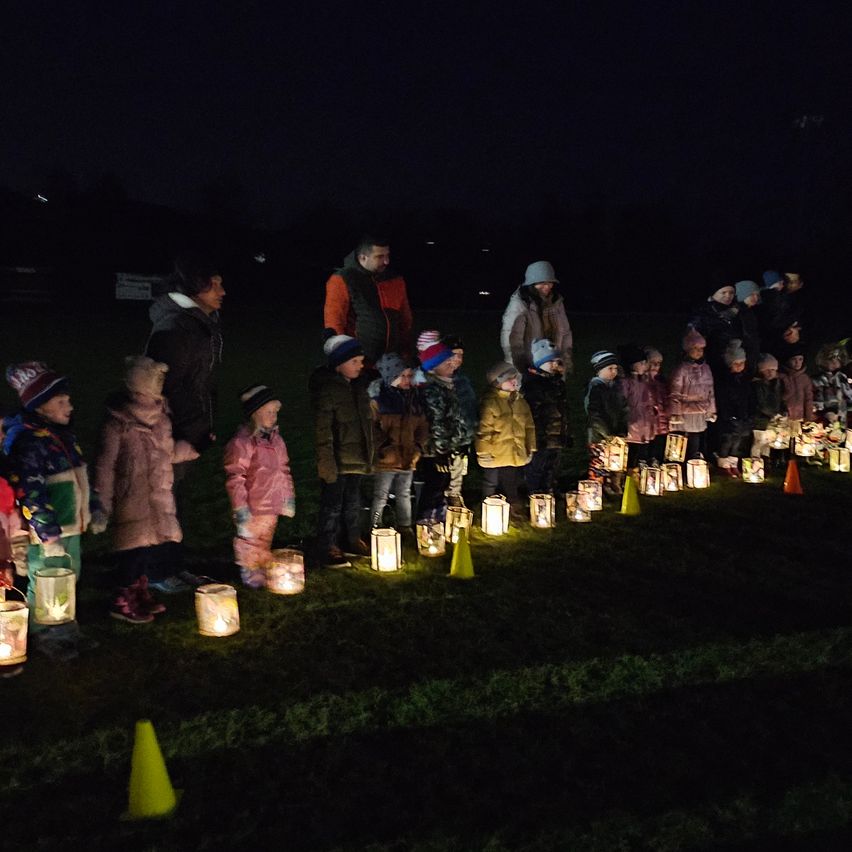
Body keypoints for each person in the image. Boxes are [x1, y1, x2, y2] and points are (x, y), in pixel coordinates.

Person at [4, 362, 105, 660]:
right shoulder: (31, 445)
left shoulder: (63, 438)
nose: (70, 405)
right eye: (61, 401)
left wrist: (94, 508)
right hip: (49, 532)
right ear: (40, 407)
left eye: (68, 399)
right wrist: (47, 534)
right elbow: (31, 491)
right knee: (47, 578)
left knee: (69, 576)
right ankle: (43, 629)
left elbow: (81, 478)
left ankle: (65, 626)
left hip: (72, 525)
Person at [94, 357, 198, 622]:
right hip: (131, 500)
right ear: (139, 386)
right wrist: (101, 504)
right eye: (156, 381)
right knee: (132, 553)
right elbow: (105, 466)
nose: (161, 385)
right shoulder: (118, 423)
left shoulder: (162, 418)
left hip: (157, 498)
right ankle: (121, 599)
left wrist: (183, 451)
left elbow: (166, 452)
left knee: (147, 551)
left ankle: (139, 593)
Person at [145, 252, 224, 590]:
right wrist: (178, 435)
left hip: (188, 430)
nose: (223, 291)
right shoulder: (176, 328)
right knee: (164, 503)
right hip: (170, 433)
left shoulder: (193, 323)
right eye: (216, 285)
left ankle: (173, 566)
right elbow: (162, 388)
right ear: (196, 287)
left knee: (176, 502)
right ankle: (160, 573)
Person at [309, 335, 373, 569]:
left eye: (361, 361)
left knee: (353, 501)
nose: (361, 366)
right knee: (332, 505)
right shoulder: (328, 391)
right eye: (355, 361)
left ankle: (351, 538)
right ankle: (327, 544)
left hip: (356, 459)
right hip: (337, 461)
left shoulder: (359, 387)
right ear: (339, 363)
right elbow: (323, 431)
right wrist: (326, 463)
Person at [224, 385, 296, 588]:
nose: (274, 416)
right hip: (252, 507)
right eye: (269, 412)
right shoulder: (243, 443)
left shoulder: (277, 441)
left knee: (264, 540)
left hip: (271, 505)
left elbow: (283, 469)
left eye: (275, 412)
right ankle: (250, 571)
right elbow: (235, 476)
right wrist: (240, 508)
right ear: (255, 414)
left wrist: (287, 498)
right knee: (249, 541)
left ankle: (262, 566)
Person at [323, 236, 413, 364]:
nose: (386, 261)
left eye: (387, 255)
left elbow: (405, 317)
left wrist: (405, 349)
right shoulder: (344, 279)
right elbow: (335, 319)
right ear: (362, 257)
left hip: (393, 360)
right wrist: (344, 356)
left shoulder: (395, 279)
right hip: (360, 359)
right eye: (380, 257)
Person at [368, 354, 428, 536]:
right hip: (387, 458)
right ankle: (375, 524)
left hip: (409, 456)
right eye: (403, 376)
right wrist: (383, 447)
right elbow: (371, 428)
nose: (408, 380)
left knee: (404, 492)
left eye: (410, 376)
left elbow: (423, 425)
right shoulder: (379, 401)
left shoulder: (413, 400)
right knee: (381, 494)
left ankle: (405, 525)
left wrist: (418, 446)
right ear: (391, 377)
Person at [417, 338, 475, 522]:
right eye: (447, 361)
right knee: (435, 484)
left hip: (449, 445)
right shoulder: (433, 390)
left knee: (445, 481)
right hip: (436, 450)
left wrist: (461, 441)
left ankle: (439, 518)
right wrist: (441, 451)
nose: (453, 363)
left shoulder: (451, 386)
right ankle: (427, 521)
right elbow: (437, 423)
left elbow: (457, 418)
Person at [475, 362, 536, 515]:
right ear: (498, 382)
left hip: (513, 450)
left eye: (515, 377)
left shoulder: (520, 401)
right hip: (495, 451)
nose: (515, 381)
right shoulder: (490, 403)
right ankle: (488, 506)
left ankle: (512, 503)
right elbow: (484, 431)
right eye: (510, 379)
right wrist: (484, 453)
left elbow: (529, 426)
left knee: (512, 478)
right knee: (491, 480)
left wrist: (531, 446)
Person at [501, 261, 573, 375]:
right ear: (532, 283)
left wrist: (566, 362)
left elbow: (565, 333)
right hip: (531, 367)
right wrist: (521, 368)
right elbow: (512, 339)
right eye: (542, 282)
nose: (548, 286)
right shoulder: (520, 304)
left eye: (550, 282)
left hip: (554, 364)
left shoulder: (556, 303)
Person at [522, 339, 570, 494]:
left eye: (557, 361)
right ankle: (535, 494)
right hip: (540, 437)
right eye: (551, 361)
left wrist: (565, 431)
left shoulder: (557, 383)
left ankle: (549, 490)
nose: (555, 365)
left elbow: (563, 410)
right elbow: (531, 413)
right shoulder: (532, 384)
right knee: (537, 467)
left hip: (555, 435)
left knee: (552, 465)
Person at [667, 329, 716, 461]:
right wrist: (675, 412)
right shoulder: (681, 369)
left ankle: (693, 463)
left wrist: (711, 410)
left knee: (696, 438)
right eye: (695, 348)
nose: (699, 351)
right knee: (679, 440)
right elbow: (675, 391)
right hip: (684, 412)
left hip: (700, 411)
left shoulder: (706, 369)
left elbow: (710, 390)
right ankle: (675, 465)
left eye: (701, 348)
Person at [584, 351, 628, 495]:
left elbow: (624, 409)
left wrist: (622, 428)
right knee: (599, 462)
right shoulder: (596, 389)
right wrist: (606, 433)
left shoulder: (616, 388)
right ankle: (596, 489)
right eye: (610, 369)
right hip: (599, 435)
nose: (614, 372)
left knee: (615, 460)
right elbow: (594, 414)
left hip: (615, 433)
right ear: (599, 370)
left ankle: (612, 484)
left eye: (616, 368)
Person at [442, 334, 478, 506]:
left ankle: (455, 495)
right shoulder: (440, 380)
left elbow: (469, 407)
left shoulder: (463, 381)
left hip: (462, 435)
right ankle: (442, 500)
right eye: (453, 354)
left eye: (460, 355)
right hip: (445, 436)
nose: (457, 359)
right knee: (444, 471)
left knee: (458, 469)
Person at [711, 340, 752, 476]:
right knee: (727, 440)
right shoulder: (724, 380)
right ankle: (723, 463)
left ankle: (733, 462)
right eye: (736, 363)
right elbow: (723, 400)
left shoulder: (744, 380)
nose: (740, 366)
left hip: (742, 415)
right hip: (728, 416)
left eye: (742, 363)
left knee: (738, 440)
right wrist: (727, 414)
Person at [690, 279, 742, 377]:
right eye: (723, 292)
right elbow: (694, 339)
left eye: (731, 292)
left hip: (733, 364)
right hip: (709, 364)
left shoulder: (737, 312)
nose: (728, 296)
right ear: (714, 293)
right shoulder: (703, 312)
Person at [617, 344, 655, 470]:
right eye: (642, 363)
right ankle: (630, 474)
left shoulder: (643, 381)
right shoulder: (626, 383)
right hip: (633, 424)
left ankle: (641, 470)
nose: (645, 365)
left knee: (643, 449)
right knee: (632, 452)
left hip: (644, 423)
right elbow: (621, 402)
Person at [751, 353, 786, 461]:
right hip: (761, 419)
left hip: (774, 419)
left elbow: (781, 399)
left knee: (768, 441)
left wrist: (783, 411)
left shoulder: (777, 384)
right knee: (759, 442)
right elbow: (760, 403)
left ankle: (766, 461)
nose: (770, 372)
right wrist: (773, 414)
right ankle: (755, 461)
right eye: (767, 370)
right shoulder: (757, 385)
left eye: (773, 369)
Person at [812, 343, 852, 427]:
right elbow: (816, 401)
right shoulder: (817, 379)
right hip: (822, 422)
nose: (834, 362)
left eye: (837, 359)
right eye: (831, 359)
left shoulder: (842, 377)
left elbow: (849, 396)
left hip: (842, 419)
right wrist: (826, 412)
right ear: (824, 361)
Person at [644, 347, 669, 462]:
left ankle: (656, 462)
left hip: (661, 420)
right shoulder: (642, 382)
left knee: (659, 443)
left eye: (658, 363)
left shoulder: (661, 382)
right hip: (647, 421)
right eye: (652, 363)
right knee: (647, 444)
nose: (655, 366)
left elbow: (666, 399)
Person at [779, 346, 815, 424]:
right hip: (784, 418)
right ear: (787, 360)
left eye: (800, 359)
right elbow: (778, 398)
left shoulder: (805, 378)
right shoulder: (781, 377)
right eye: (793, 359)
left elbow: (808, 399)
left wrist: (808, 417)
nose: (797, 362)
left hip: (800, 418)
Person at [733, 280, 762, 374]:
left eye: (757, 294)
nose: (755, 297)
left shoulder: (751, 312)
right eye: (751, 294)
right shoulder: (737, 312)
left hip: (750, 355)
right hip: (740, 358)